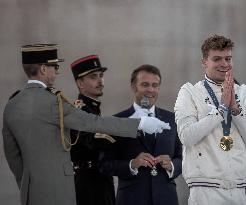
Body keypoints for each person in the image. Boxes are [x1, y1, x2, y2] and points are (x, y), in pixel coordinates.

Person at [2, 44, 170, 205]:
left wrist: (26, 184)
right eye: (55, 67)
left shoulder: (12, 104)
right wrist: (139, 123)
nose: (56, 73)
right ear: (44, 69)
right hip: (77, 185)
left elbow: (13, 155)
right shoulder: (56, 102)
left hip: (33, 190)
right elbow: (93, 126)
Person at [174, 35, 246, 205]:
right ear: (204, 62)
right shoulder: (190, 92)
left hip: (238, 189)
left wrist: (236, 111)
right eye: (217, 59)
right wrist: (221, 110)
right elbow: (187, 136)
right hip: (205, 189)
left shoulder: (244, 92)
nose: (224, 64)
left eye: (228, 59)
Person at [103, 64, 182, 205]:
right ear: (134, 87)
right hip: (131, 199)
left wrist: (172, 165)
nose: (150, 90)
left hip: (166, 199)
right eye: (145, 84)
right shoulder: (117, 121)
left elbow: (184, 158)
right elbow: (105, 164)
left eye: (155, 85)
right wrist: (132, 164)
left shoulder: (173, 120)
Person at [70, 55, 115, 205]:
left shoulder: (92, 109)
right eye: (93, 77)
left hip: (100, 179)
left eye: (101, 76)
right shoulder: (78, 111)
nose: (100, 80)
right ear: (79, 83)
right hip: (88, 184)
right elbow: (96, 141)